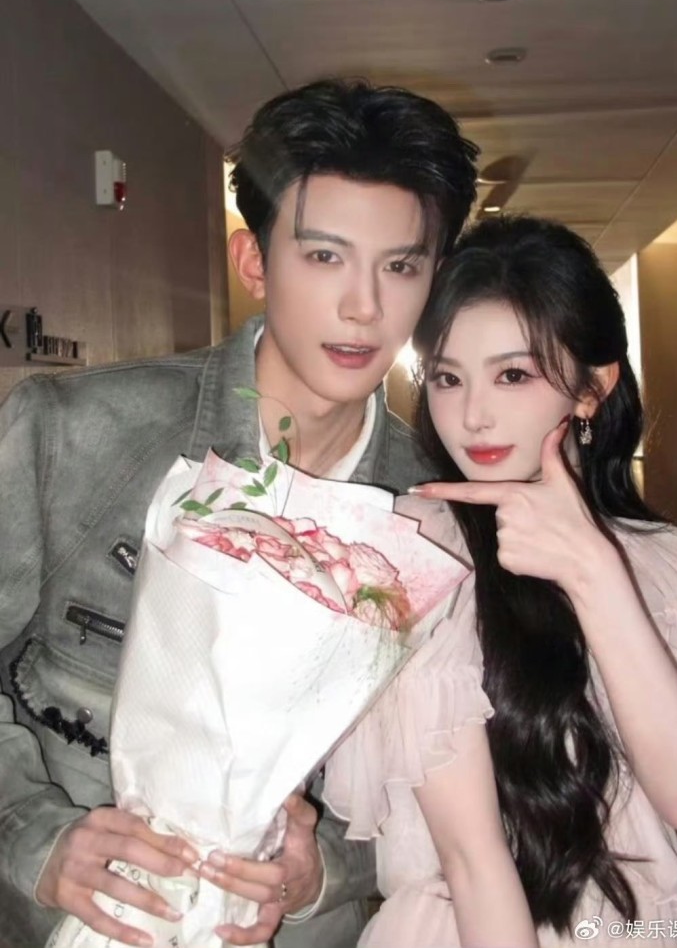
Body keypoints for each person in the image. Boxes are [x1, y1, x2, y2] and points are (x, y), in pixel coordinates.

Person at [0, 78, 478, 948]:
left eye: (401, 266)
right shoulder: (78, 434)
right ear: (255, 260)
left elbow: (451, 796)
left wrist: (322, 869)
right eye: (324, 256)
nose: (365, 306)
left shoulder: (434, 515)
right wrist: (35, 836)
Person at [323, 215, 677, 946]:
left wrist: (594, 572)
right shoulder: (415, 549)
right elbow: (472, 861)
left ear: (592, 388)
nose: (472, 416)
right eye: (447, 378)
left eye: (513, 375)